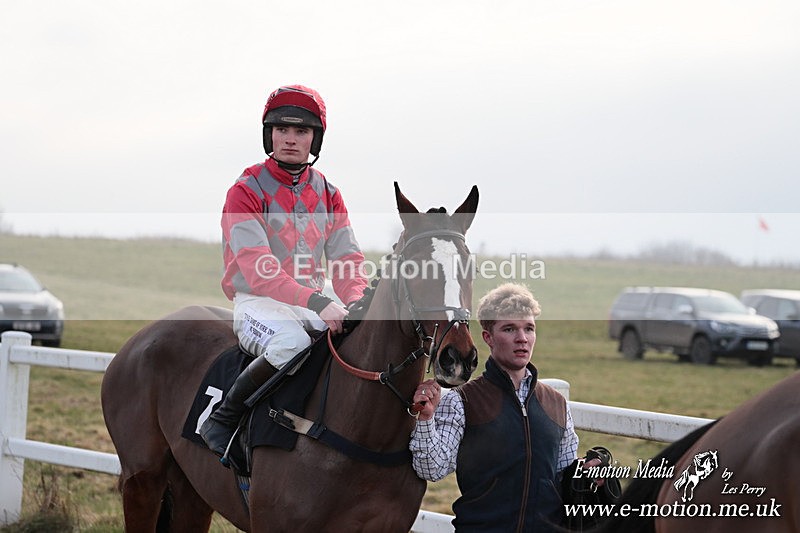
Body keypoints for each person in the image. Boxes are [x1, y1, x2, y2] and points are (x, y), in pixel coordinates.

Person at [200, 84, 368, 458]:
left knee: (358, 345)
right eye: (282, 130)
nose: (290, 139)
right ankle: (224, 419)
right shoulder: (245, 190)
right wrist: (318, 300)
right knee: (291, 343)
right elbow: (259, 269)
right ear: (269, 134)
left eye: (302, 131)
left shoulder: (328, 193)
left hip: (313, 301)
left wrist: (357, 301)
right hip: (258, 302)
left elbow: (347, 259)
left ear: (315, 138)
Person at [409, 283, 587, 532]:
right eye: (509, 328)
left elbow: (563, 474)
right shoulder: (462, 401)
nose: (522, 338)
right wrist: (427, 419)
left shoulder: (556, 403)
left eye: (529, 328)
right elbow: (432, 468)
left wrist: (591, 468)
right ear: (488, 337)